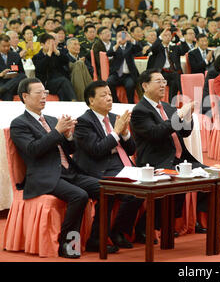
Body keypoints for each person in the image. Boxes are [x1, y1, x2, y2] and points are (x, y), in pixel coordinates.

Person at [10, 78, 107, 259]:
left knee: (105, 189)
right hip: (44, 175)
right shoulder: (20, 123)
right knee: (79, 195)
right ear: (25, 96)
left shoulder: (53, 119)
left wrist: (69, 136)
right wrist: (57, 132)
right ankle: (67, 244)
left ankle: (95, 239)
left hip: (68, 171)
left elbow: (69, 150)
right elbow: (33, 150)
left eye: (45, 93)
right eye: (39, 93)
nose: (44, 97)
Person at [130, 69, 208, 233]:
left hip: (179, 159)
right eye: (158, 81)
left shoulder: (167, 107)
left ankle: (194, 220)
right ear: (145, 85)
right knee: (174, 180)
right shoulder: (140, 111)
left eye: (164, 81)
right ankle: (149, 225)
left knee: (208, 175)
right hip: (156, 160)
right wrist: (178, 114)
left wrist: (187, 117)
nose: (163, 85)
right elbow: (156, 133)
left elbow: (185, 132)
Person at [73, 80, 149, 249]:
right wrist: (115, 132)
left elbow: (131, 150)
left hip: (123, 166)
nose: (109, 98)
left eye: (110, 94)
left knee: (149, 185)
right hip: (99, 169)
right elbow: (97, 150)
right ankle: (102, 237)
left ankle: (120, 231)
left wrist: (125, 133)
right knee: (131, 193)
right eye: (104, 95)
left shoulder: (115, 118)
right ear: (91, 100)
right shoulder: (84, 122)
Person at [32, 33, 77, 101]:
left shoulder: (56, 54)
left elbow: (66, 61)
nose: (51, 45)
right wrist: (49, 54)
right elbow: (40, 68)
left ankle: (67, 107)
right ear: (42, 45)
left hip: (59, 82)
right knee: (63, 81)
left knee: (62, 90)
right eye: (49, 43)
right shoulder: (37, 57)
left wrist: (56, 52)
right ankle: (74, 100)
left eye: (52, 43)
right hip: (46, 83)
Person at [145, 28, 183, 102]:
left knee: (174, 81)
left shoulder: (174, 47)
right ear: (161, 36)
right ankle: (183, 94)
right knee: (176, 76)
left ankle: (171, 102)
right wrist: (160, 36)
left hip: (171, 72)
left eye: (169, 35)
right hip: (160, 72)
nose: (168, 37)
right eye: (165, 35)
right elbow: (153, 47)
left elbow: (184, 50)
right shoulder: (158, 48)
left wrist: (181, 37)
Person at [106, 30, 141, 104]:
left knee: (130, 85)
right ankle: (115, 101)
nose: (121, 38)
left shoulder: (130, 45)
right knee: (109, 82)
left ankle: (130, 103)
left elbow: (139, 49)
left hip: (128, 74)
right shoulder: (114, 45)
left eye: (123, 36)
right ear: (116, 38)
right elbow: (108, 54)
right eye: (119, 36)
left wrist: (131, 39)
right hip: (116, 74)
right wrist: (117, 45)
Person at [64, 37, 94, 101]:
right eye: (75, 44)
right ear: (68, 47)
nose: (78, 46)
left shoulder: (82, 57)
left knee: (80, 63)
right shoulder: (65, 58)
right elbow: (65, 72)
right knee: (79, 64)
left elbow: (91, 70)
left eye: (78, 44)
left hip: (85, 80)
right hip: (72, 81)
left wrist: (82, 65)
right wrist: (77, 64)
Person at [0, 34, 26, 100]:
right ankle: (4, 89)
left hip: (13, 81)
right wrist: (1, 74)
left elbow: (22, 72)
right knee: (7, 93)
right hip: (1, 81)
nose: (6, 48)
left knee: (23, 76)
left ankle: (3, 89)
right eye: (4, 46)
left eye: (8, 46)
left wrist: (14, 74)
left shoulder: (15, 55)